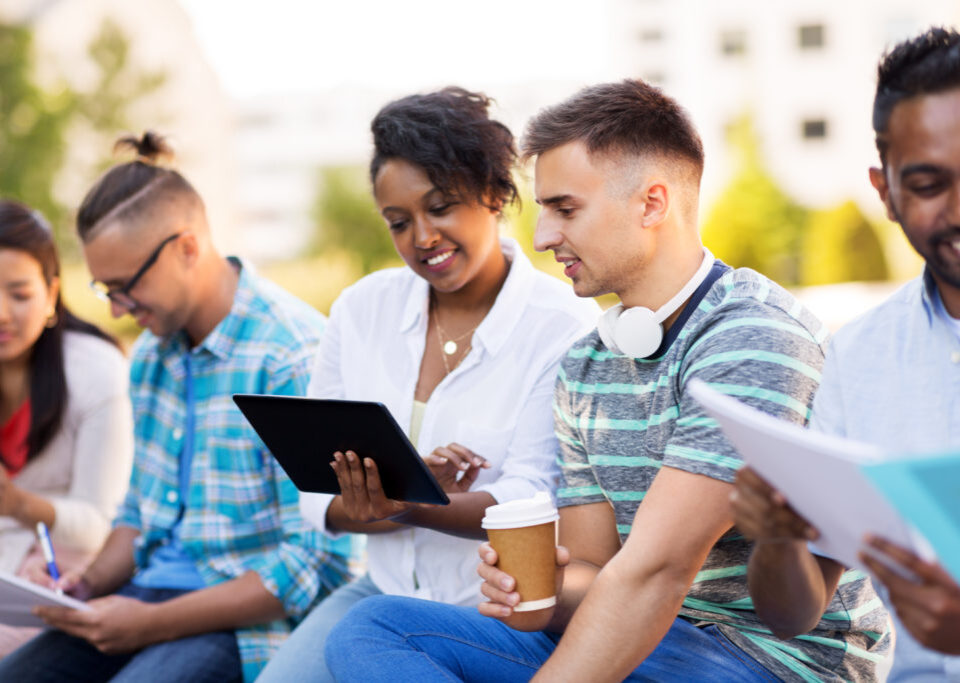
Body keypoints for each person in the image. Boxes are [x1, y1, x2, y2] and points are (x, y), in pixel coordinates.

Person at [323, 80, 890, 682]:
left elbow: (657, 571)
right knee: (374, 629)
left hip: (761, 658)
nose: (541, 237)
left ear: (651, 203)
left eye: (565, 209)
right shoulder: (586, 363)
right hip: (648, 637)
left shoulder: (752, 338)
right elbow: (594, 571)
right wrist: (539, 592)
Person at [257, 87, 599, 682]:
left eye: (440, 207)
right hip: (379, 591)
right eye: (398, 222)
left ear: (493, 195)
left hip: (494, 611)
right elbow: (315, 496)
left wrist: (411, 504)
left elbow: (530, 499)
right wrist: (387, 500)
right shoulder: (361, 310)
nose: (422, 238)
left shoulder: (562, 327)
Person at [0, 133, 353, 683]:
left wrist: (151, 623)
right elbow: (139, 516)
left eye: (126, 287)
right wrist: (86, 587)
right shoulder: (150, 357)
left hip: (244, 621)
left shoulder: (290, 354)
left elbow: (314, 563)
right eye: (104, 289)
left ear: (187, 248)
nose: (116, 307)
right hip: (144, 597)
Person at [731, 27, 960, 680]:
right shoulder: (859, 357)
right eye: (928, 183)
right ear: (885, 190)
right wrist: (775, 536)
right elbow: (794, 612)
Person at [0, 200, 132, 655]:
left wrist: (18, 503)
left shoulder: (95, 371)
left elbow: (104, 524)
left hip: (61, 570)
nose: (1, 313)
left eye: (19, 294)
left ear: (51, 293)